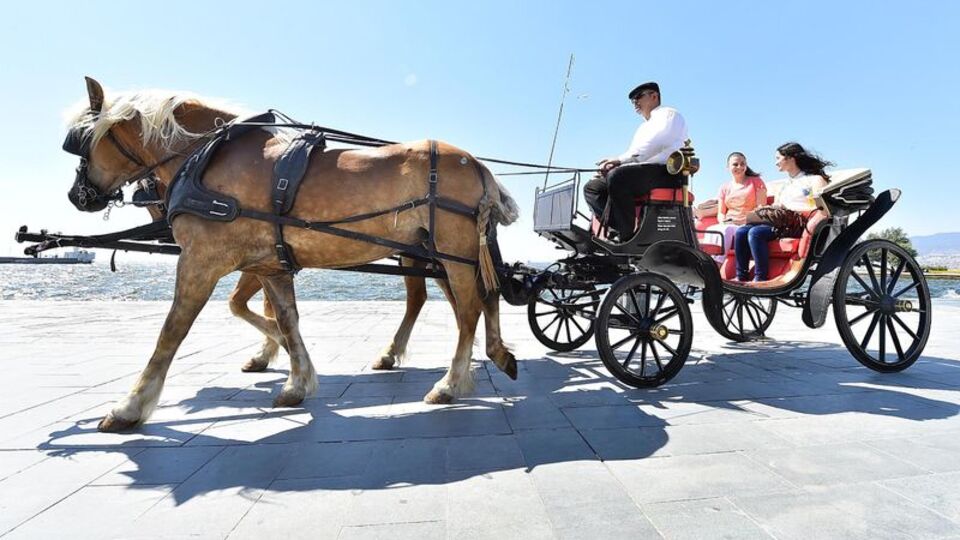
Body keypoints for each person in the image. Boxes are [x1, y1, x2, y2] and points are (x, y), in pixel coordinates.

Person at [583, 81, 688, 241]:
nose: (635, 103)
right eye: (632, 101)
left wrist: (618, 161)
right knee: (593, 188)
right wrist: (610, 168)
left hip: (666, 172)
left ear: (654, 96)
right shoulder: (643, 127)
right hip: (643, 173)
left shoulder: (668, 114)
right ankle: (619, 228)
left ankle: (626, 237)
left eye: (638, 97)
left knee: (618, 176)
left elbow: (657, 143)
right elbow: (635, 157)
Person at [734, 142, 832, 281]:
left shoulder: (814, 180)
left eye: (778, 158)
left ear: (790, 158)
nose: (776, 163)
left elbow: (822, 210)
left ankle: (760, 278)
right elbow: (777, 206)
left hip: (797, 224)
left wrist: (791, 212)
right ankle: (741, 276)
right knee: (741, 231)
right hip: (779, 222)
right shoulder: (785, 185)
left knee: (755, 233)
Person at [703, 152, 766, 259]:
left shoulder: (756, 182)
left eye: (743, 164)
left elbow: (761, 210)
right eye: (735, 164)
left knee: (725, 230)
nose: (740, 167)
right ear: (728, 167)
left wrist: (743, 221)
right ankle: (705, 263)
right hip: (729, 223)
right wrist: (723, 221)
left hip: (747, 224)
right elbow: (721, 213)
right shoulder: (724, 187)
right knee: (711, 229)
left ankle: (716, 265)